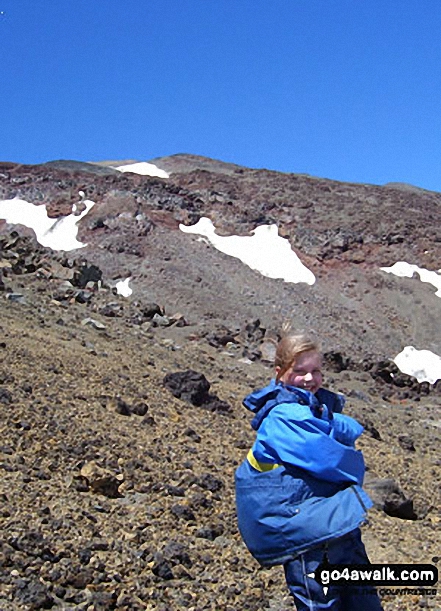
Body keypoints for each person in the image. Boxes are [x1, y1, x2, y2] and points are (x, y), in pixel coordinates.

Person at [235, 332, 383, 610]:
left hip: (332, 525)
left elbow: (326, 431)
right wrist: (346, 433)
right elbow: (331, 460)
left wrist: (337, 423)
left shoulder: (312, 409)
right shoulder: (282, 416)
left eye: (316, 371)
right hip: (308, 537)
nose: (309, 379)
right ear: (280, 373)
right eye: (299, 371)